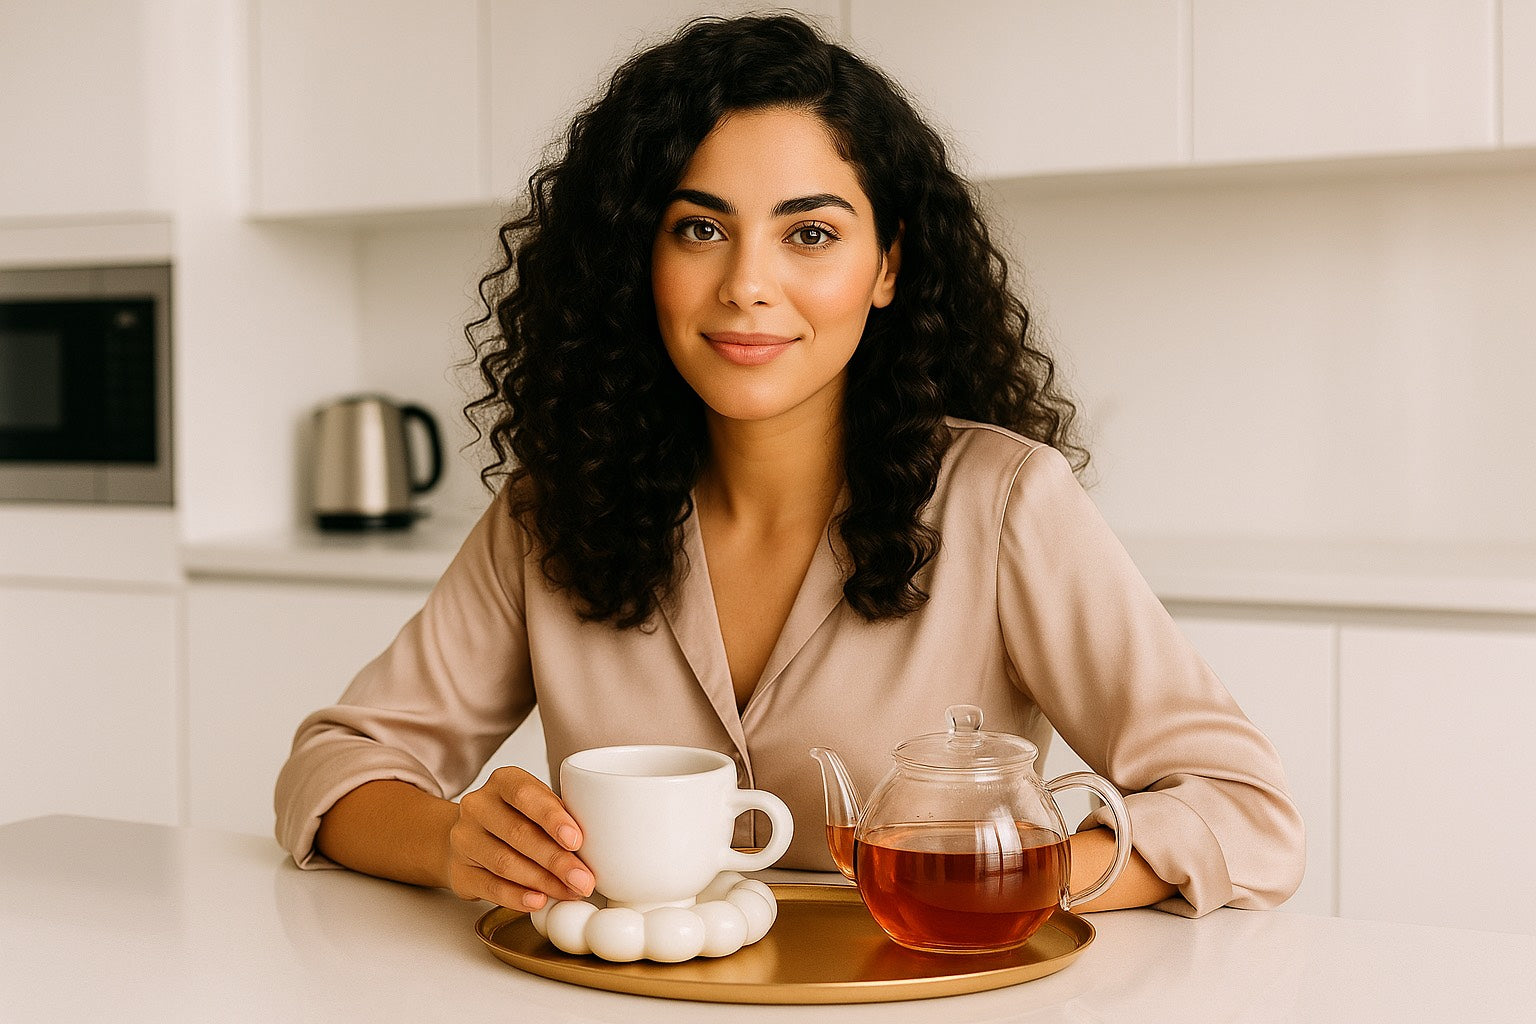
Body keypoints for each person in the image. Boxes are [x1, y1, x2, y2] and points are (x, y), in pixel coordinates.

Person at [276, 13, 1303, 920]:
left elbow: (1244, 810)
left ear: (889, 264)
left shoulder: (1005, 502)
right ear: (640, 259)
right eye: (700, 229)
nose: (748, 286)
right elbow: (332, 768)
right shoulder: (551, 511)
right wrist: (454, 841)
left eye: (809, 232)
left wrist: (1016, 876)